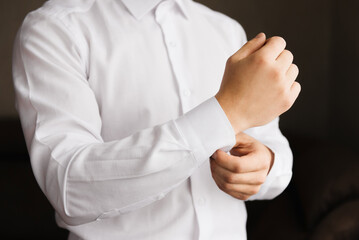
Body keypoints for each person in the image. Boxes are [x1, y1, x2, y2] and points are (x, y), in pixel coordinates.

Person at [12, 0, 300, 239]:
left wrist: (266, 165)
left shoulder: (226, 30)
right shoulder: (55, 29)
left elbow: (273, 147)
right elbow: (70, 188)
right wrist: (225, 113)